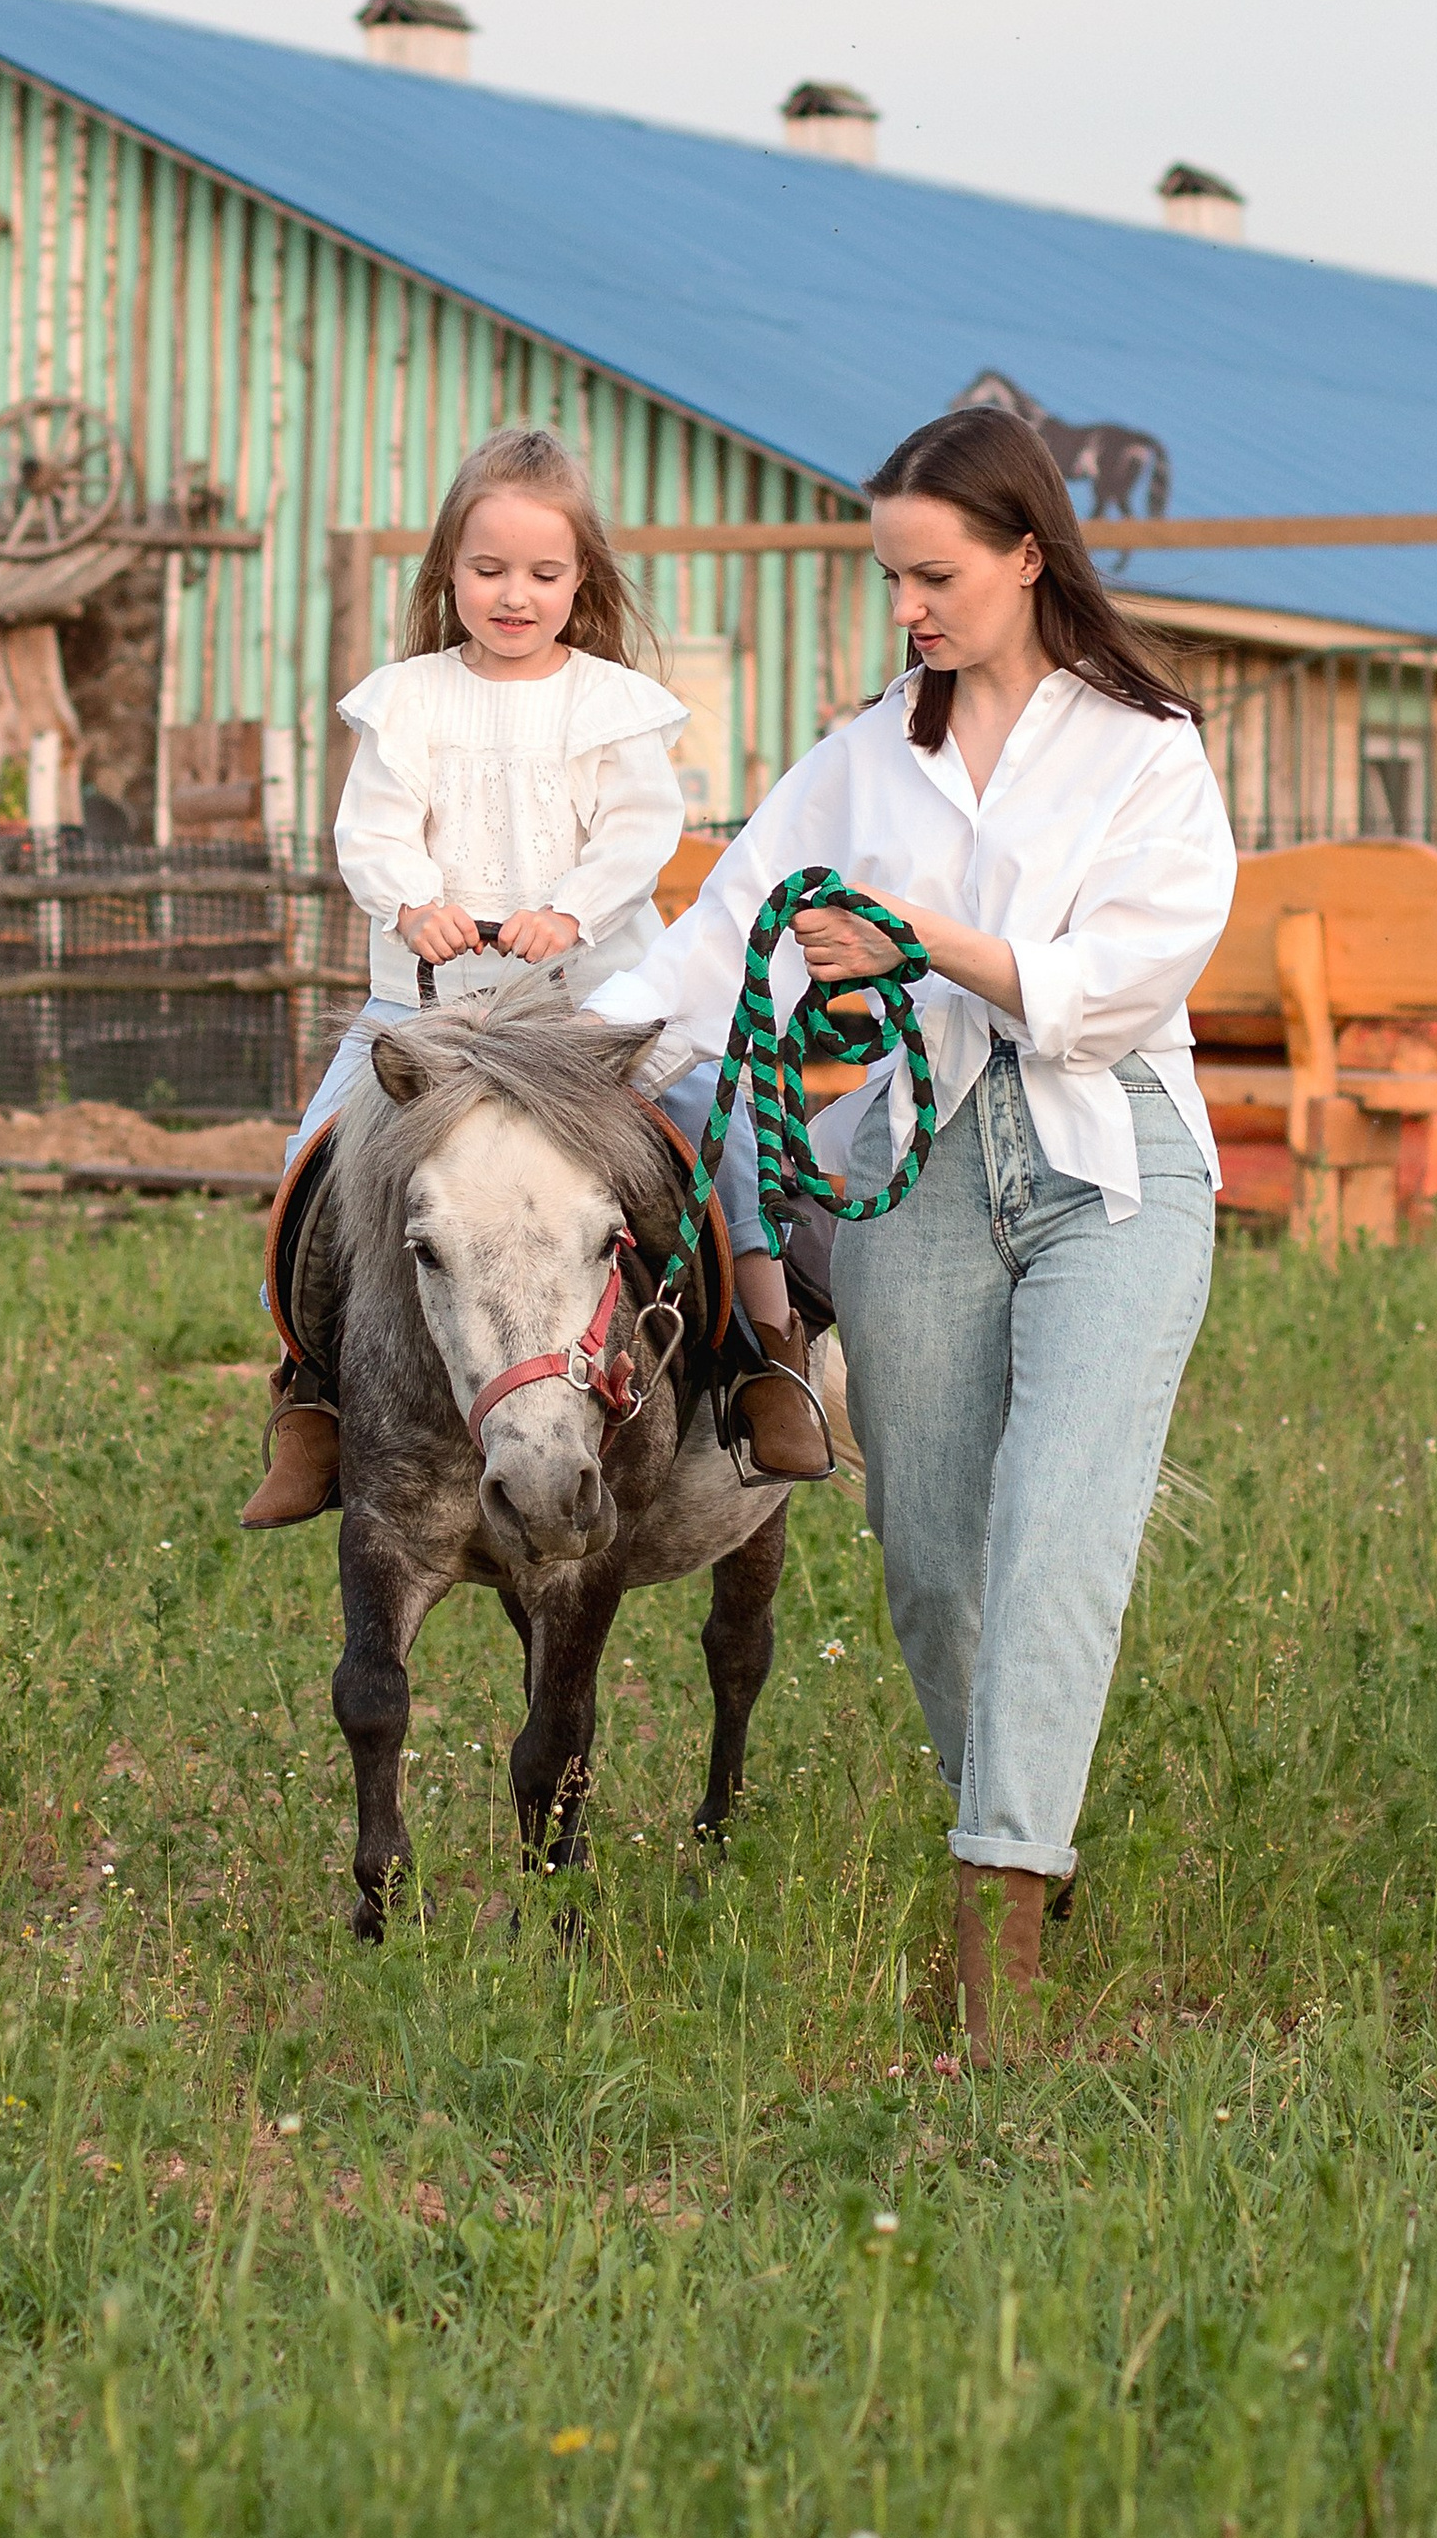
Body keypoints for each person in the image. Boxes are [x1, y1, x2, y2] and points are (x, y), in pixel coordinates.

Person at [588, 407, 1237, 2055]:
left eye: (936, 575)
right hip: (917, 1160)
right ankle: (1021, 1818)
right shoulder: (865, 754)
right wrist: (570, 1067)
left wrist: (922, 942)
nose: (910, 608)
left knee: (1057, 1526)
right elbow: (723, 934)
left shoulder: (1147, 749)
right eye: (893, 577)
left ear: (1028, 554)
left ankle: (997, 1919)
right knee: (933, 1565)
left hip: (1111, 1163)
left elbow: (1125, 984)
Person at [242, 422, 791, 1528]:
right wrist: (413, 903)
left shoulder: (610, 703)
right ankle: (310, 1394)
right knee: (313, 1163)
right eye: (488, 569)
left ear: (580, 578)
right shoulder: (406, 699)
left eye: (543, 572)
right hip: (430, 1015)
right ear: (449, 570)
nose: (514, 595)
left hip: (590, 1014)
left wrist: (571, 910)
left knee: (719, 1137)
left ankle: (761, 1362)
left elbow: (639, 830)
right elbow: (371, 828)